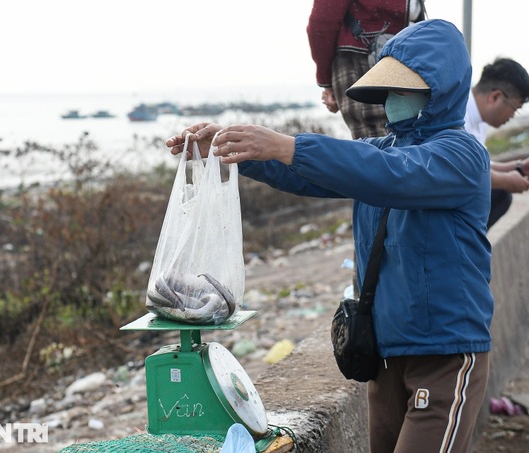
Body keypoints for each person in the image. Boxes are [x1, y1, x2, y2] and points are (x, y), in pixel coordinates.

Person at [167, 19, 493, 452]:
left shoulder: (461, 155)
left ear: (440, 90)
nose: (392, 100)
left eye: (404, 88)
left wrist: (288, 144)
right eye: (389, 89)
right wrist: (239, 152)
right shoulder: (388, 148)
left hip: (446, 355)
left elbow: (386, 175)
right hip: (389, 354)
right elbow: (325, 173)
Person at [307, 0, 426, 139]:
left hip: (403, 58)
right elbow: (322, 21)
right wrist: (327, 81)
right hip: (360, 58)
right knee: (378, 142)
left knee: (399, 141)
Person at [465, 57, 529, 229]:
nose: (512, 116)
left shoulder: (479, 119)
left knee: (500, 196)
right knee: (499, 195)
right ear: (495, 97)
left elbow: (480, 166)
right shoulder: (459, 115)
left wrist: (519, 167)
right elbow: (462, 171)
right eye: (515, 109)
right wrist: (505, 180)